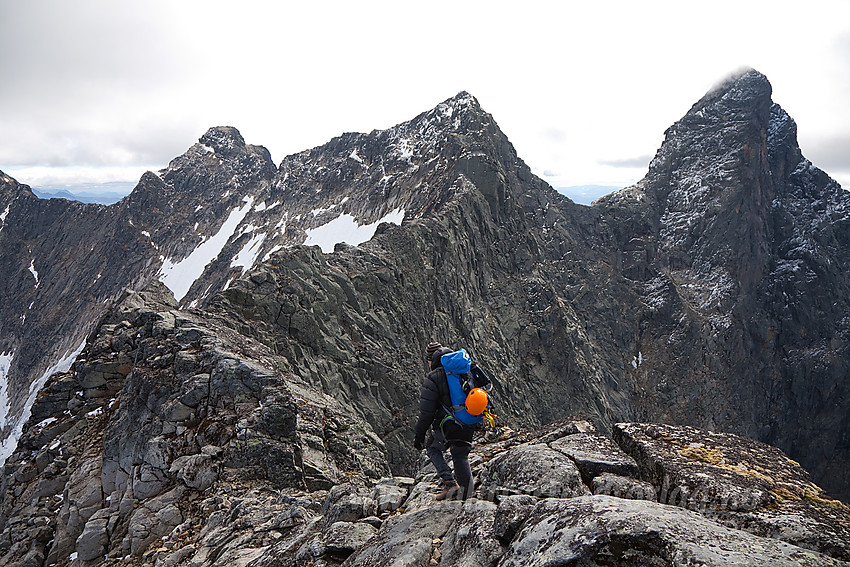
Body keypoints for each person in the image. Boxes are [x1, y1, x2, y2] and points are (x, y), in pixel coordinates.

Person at [413, 341, 476, 501]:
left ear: (430, 360)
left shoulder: (433, 377)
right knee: (460, 453)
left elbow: (426, 412)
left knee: (432, 447)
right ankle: (467, 496)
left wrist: (419, 436)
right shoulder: (464, 368)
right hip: (469, 419)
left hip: (448, 424)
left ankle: (449, 482)